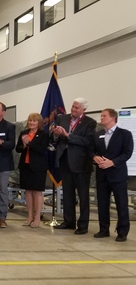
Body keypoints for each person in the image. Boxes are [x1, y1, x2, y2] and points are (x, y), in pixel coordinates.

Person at [53, 97, 96, 235]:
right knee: (67, 194)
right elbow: (55, 139)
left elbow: (87, 141)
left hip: (81, 164)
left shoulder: (90, 123)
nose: (73, 109)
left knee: (83, 196)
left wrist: (68, 135)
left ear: (84, 109)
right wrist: (55, 134)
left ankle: (83, 225)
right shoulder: (62, 119)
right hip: (65, 161)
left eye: (77, 107)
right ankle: (68, 221)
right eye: (73, 106)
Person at [91, 109, 133, 242]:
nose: (101, 118)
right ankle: (104, 229)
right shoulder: (98, 134)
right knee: (102, 203)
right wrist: (94, 158)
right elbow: (91, 151)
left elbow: (127, 153)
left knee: (121, 203)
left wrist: (112, 162)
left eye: (104, 116)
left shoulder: (124, 134)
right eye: (101, 115)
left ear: (113, 118)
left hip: (117, 174)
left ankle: (122, 231)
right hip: (102, 174)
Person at [15, 113, 48, 228]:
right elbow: (18, 149)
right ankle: (29, 216)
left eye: (34, 121)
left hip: (38, 167)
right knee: (28, 191)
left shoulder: (43, 134)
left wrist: (29, 143)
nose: (31, 123)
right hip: (25, 165)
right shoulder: (23, 133)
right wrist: (23, 145)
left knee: (37, 192)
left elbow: (42, 149)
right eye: (30, 120)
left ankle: (37, 216)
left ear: (39, 123)